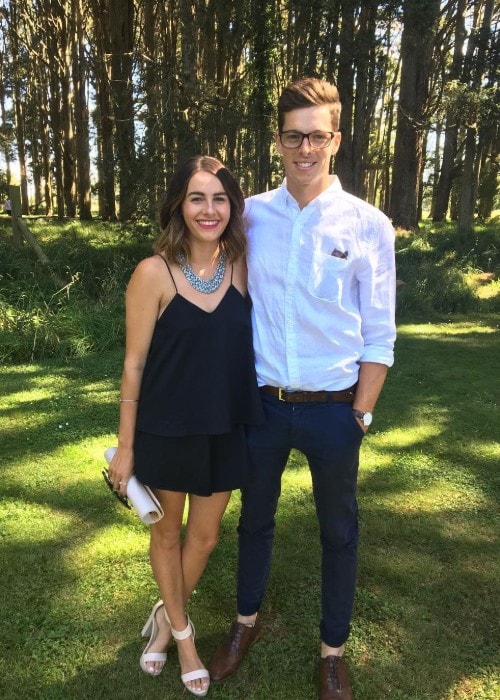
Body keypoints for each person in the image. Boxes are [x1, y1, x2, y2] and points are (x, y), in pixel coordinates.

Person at [208, 78, 396, 700]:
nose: (306, 147)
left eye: (318, 135)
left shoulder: (369, 225)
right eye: (295, 136)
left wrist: (360, 414)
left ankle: (333, 652)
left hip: (334, 412)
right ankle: (244, 624)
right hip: (264, 406)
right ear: (280, 141)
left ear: (335, 140)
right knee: (253, 521)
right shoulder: (253, 214)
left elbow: (379, 333)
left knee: (338, 532)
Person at [107, 155, 263, 697]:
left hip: (225, 424)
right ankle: (183, 636)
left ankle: (161, 617)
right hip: (167, 428)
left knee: (205, 536)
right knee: (168, 534)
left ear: (231, 207)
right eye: (197, 197)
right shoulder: (154, 272)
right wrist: (125, 446)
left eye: (219, 198)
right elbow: (134, 364)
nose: (209, 209)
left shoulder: (243, 268)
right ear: (179, 204)